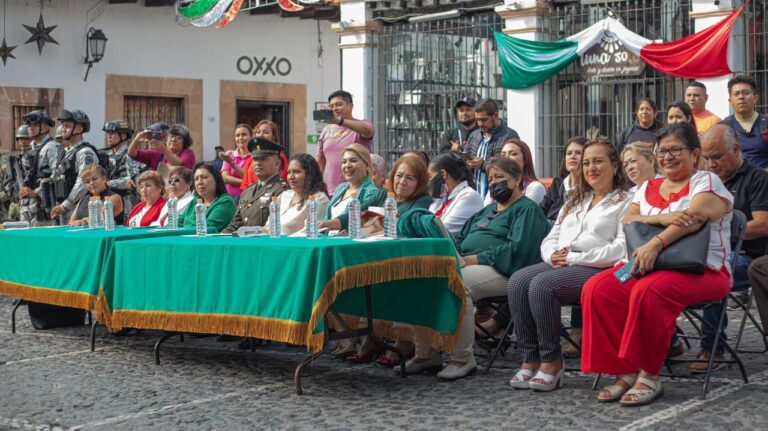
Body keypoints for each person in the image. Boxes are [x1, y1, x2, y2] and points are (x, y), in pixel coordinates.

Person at [581, 123, 733, 406]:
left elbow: (696, 217)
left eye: (676, 150)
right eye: (662, 151)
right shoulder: (648, 186)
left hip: (702, 270)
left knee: (648, 291)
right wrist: (662, 218)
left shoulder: (706, 182)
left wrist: (655, 243)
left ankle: (649, 374)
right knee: (598, 288)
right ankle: (623, 370)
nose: (668, 157)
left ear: (695, 153)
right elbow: (628, 219)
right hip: (647, 266)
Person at [405, 157, 549, 380]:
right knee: (423, 281)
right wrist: (452, 251)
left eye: (501, 178)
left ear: (518, 179)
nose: (494, 183)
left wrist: (474, 259)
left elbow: (518, 250)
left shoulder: (526, 210)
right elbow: (462, 238)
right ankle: (426, 353)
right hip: (467, 263)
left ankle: (462, 358)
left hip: (505, 270)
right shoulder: (487, 210)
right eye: (491, 179)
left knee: (456, 285)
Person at [505, 140, 632, 391]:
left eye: (598, 161)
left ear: (615, 165)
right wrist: (552, 255)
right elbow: (552, 235)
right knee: (518, 281)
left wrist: (573, 258)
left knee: (542, 285)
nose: (591, 168)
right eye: (586, 163)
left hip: (598, 267)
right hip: (562, 262)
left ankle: (552, 361)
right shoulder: (576, 200)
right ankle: (531, 358)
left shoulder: (626, 201)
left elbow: (621, 248)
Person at [694, 124, 768, 371]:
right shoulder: (702, 180)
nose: (710, 164)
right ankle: (669, 344)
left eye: (716, 157)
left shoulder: (757, 178)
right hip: (705, 249)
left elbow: (762, 225)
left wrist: (722, 231)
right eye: (705, 158)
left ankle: (713, 347)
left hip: (748, 256)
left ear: (736, 150)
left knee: (714, 268)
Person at [222, 138, 288, 233]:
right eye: (255, 159)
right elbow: (234, 225)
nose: (258, 163)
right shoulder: (248, 191)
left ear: (277, 163)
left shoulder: (282, 191)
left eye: (263, 159)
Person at [316, 90, 375, 195]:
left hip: (357, 189)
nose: (335, 108)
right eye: (331, 106)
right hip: (330, 191)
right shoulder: (326, 130)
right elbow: (320, 160)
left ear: (350, 106)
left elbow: (368, 131)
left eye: (339, 104)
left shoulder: (361, 124)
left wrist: (340, 121)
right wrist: (315, 183)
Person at [319, 144, 386, 233]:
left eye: (353, 161)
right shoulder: (341, 188)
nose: (347, 165)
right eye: (344, 162)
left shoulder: (372, 192)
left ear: (366, 165)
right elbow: (327, 219)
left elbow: (363, 225)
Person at [361, 155, 433, 236]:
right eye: (399, 176)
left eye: (410, 178)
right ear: (393, 176)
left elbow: (407, 224)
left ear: (419, 183)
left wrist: (380, 220)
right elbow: (357, 212)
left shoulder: (424, 201)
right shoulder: (383, 194)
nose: (402, 182)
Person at [49, 110, 98, 223]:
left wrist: (65, 205)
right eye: (63, 125)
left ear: (79, 129)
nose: (63, 129)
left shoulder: (85, 152)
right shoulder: (66, 152)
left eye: (67, 126)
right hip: (64, 207)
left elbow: (83, 182)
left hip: (81, 208)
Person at [465, 99, 520, 199]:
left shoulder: (509, 135)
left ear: (495, 116)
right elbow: (466, 157)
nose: (480, 124)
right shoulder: (474, 136)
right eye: (477, 120)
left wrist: (483, 165)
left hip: (498, 195)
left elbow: (511, 167)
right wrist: (467, 163)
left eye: (484, 120)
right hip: (474, 194)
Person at [264, 153, 329, 236]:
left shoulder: (319, 199)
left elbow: (309, 232)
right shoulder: (284, 196)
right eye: (288, 172)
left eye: (296, 172)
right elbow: (268, 226)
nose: (291, 177)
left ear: (310, 174)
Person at [18, 110, 62, 223]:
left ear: (46, 126)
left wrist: (35, 192)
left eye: (35, 125)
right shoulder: (32, 148)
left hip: (46, 206)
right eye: (29, 125)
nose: (30, 128)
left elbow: (58, 175)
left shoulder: (52, 147)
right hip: (29, 208)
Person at [427, 153, 483, 236]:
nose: (428, 182)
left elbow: (442, 232)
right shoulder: (441, 198)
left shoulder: (469, 196)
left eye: (430, 177)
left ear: (443, 174)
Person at [718, 75, 768, 168]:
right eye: (736, 94)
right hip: (734, 180)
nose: (741, 97)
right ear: (730, 100)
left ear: (755, 98)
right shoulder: (722, 128)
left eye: (746, 93)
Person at [177, 162, 236, 233]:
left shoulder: (225, 202)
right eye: (196, 179)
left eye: (204, 177)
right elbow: (178, 222)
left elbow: (206, 228)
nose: (199, 182)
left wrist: (185, 226)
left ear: (216, 180)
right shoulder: (195, 200)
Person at [484, 139, 546, 205]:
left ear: (525, 159)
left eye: (513, 154)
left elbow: (522, 211)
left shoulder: (534, 187)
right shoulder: (496, 186)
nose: (506, 158)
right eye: (503, 155)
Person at [102, 120, 144, 215]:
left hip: (127, 202)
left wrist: (109, 183)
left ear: (123, 136)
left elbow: (134, 179)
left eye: (112, 133)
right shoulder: (107, 155)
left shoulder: (130, 155)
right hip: (109, 201)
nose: (109, 136)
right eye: (108, 133)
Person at [540, 137, 587, 221]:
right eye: (569, 153)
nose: (572, 156)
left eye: (578, 153)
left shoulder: (590, 187)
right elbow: (540, 211)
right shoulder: (557, 183)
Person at [126, 123, 196, 172]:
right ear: (166, 138)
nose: (173, 139)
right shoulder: (156, 154)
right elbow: (131, 153)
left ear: (185, 142)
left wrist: (164, 149)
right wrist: (137, 139)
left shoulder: (188, 153)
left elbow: (178, 164)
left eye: (179, 138)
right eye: (171, 136)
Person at [240, 120, 287, 191]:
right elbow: (244, 184)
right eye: (258, 132)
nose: (261, 134)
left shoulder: (280, 156)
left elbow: (282, 180)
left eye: (266, 132)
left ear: (273, 136)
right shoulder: (250, 159)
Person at [220, 123, 253, 200]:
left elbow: (249, 176)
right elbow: (225, 178)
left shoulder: (254, 156)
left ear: (251, 137)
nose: (240, 138)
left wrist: (233, 164)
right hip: (230, 197)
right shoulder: (230, 154)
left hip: (248, 197)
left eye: (244, 134)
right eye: (237, 135)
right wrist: (245, 182)